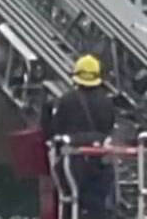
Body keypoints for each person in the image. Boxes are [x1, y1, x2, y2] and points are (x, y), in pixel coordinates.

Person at [44, 55, 116, 219]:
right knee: (96, 204)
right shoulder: (106, 102)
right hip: (99, 162)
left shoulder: (67, 100)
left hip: (72, 161)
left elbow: (55, 129)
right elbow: (109, 127)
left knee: (69, 201)